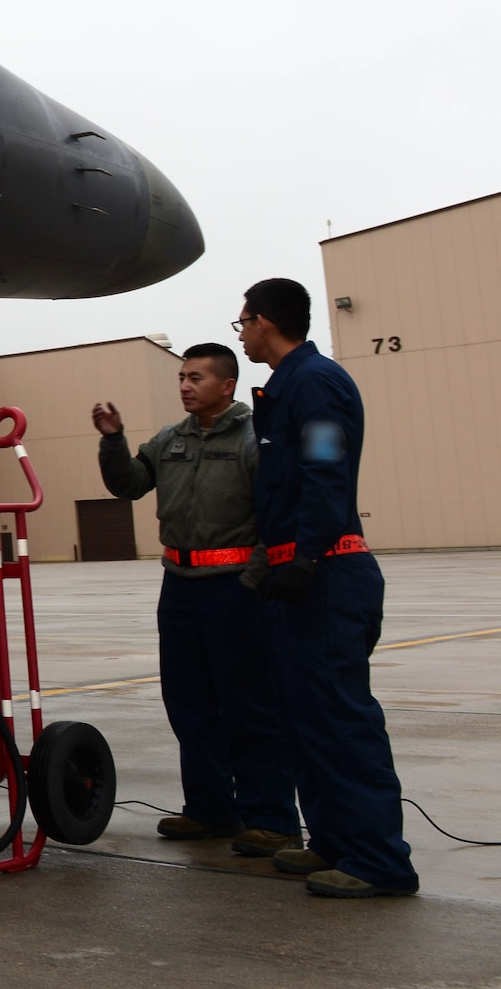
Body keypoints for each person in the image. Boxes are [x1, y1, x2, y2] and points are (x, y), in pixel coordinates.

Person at [237, 278, 418, 898]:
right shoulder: (286, 386)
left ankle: (378, 860)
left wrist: (307, 557)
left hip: (326, 574)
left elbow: (324, 468)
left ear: (265, 322)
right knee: (304, 719)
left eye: (243, 323)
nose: (242, 333)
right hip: (299, 573)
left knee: (339, 720)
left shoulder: (314, 383)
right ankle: (336, 841)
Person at [94, 344, 300, 856]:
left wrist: (252, 579)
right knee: (189, 704)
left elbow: (275, 517)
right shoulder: (170, 440)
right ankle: (210, 809)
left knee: (248, 704)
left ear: (227, 385)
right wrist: (113, 441)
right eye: (182, 377)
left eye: (196, 377)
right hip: (180, 587)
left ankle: (271, 818)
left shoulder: (255, 439)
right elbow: (129, 485)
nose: (185, 385)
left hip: (234, 590)